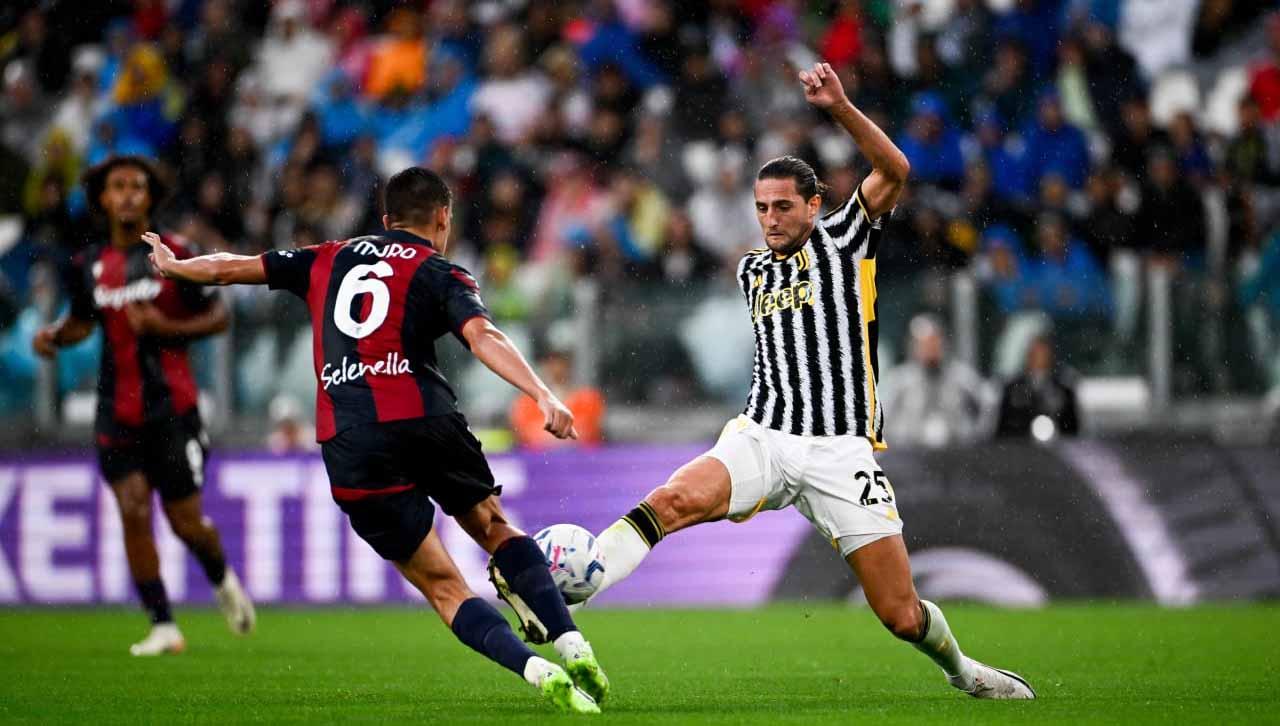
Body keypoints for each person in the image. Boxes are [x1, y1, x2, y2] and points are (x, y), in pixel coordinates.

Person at [498, 62, 1035, 700]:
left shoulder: (844, 239)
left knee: (900, 614)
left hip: (839, 450)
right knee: (669, 502)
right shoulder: (752, 268)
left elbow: (895, 172)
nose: (771, 219)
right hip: (764, 436)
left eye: (783, 206)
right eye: (761, 208)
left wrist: (838, 107)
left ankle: (962, 670)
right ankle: (575, 590)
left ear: (815, 205)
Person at [145, 167, 607, 714]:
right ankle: (571, 641)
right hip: (425, 418)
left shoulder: (323, 256)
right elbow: (483, 334)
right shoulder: (439, 270)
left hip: (351, 439)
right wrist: (543, 394)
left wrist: (176, 267)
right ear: (443, 217)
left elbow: (227, 269)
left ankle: (535, 672)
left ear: (386, 221)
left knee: (444, 586)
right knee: (491, 523)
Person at [31, 155, 255, 656]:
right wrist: (54, 336)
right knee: (133, 510)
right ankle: (163, 625)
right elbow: (83, 322)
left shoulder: (175, 253)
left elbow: (218, 317)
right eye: (118, 187)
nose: (129, 194)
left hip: (173, 410)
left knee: (186, 524)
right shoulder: (88, 265)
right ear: (104, 199)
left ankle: (222, 580)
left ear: (151, 198)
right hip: (117, 410)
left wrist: (164, 329)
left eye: (138, 186)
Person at [995, 335, 1081, 438]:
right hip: (1020, 448)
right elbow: (1002, 430)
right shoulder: (1012, 390)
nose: (1038, 358)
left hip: (1056, 448)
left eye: (1042, 353)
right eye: (1034, 353)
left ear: (1050, 356)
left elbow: (1072, 431)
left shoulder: (1064, 390)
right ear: (1028, 356)